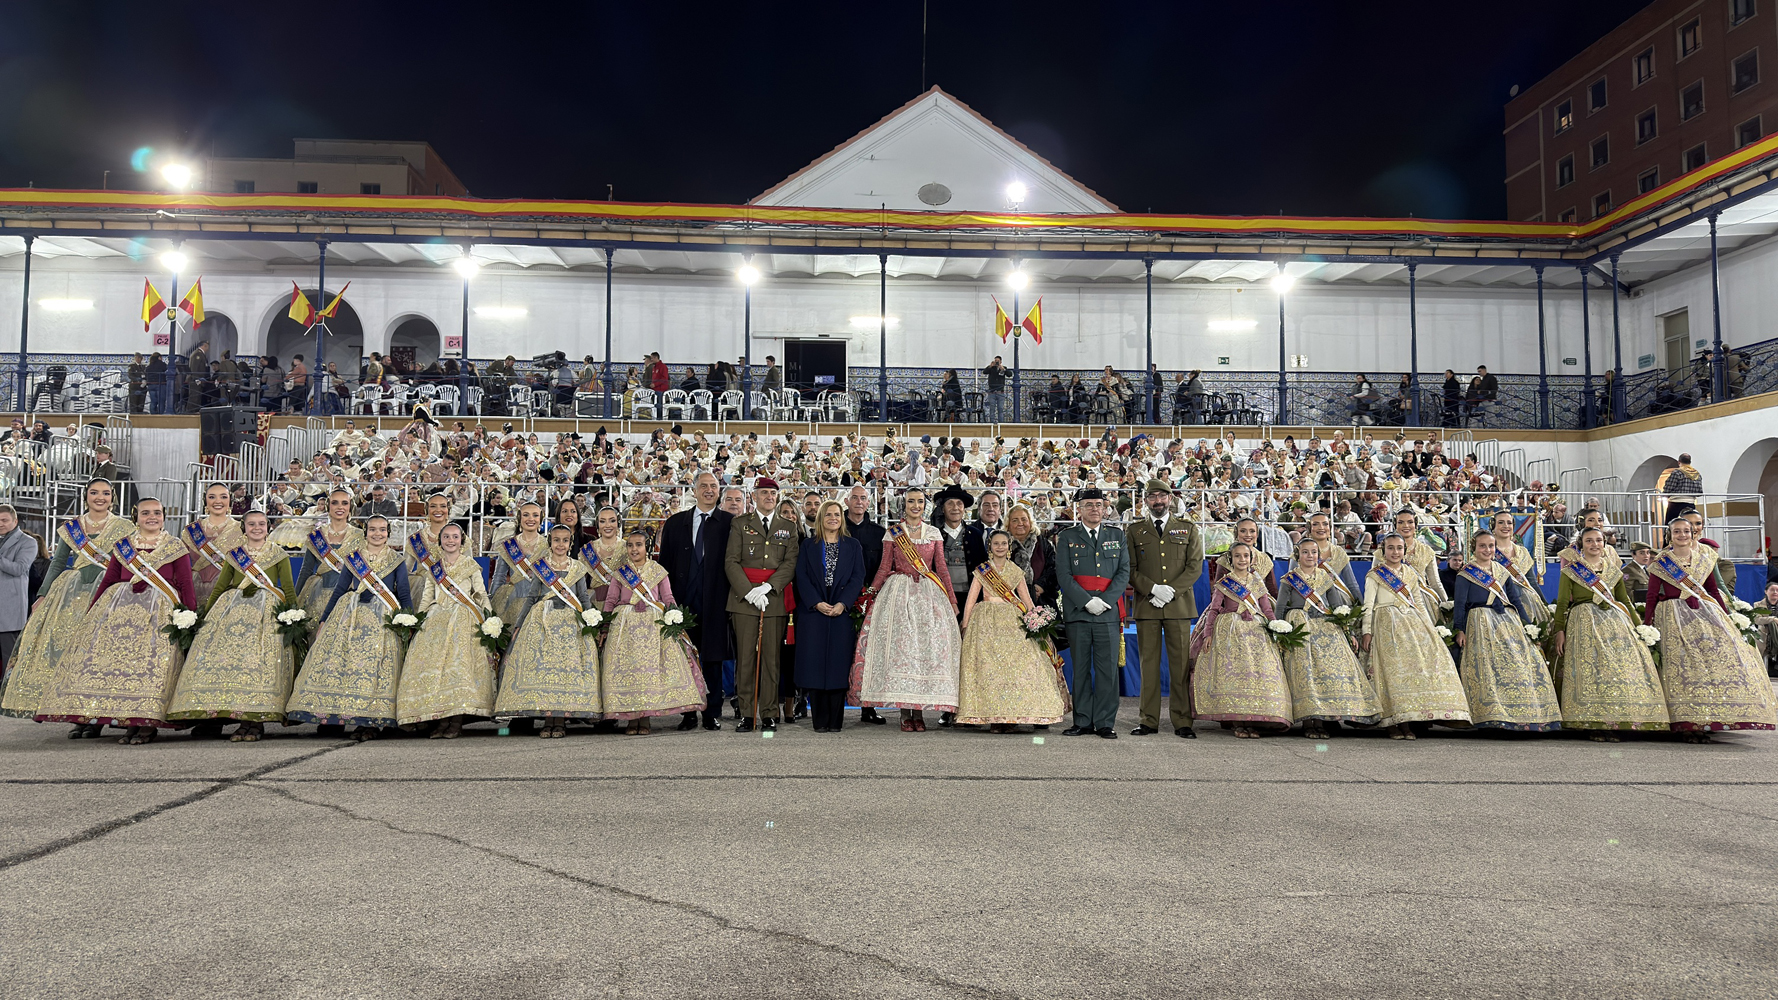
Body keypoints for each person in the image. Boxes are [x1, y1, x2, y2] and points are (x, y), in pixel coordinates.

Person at [37, 498, 197, 745]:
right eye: (146, 513)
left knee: (148, 667)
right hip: (119, 612)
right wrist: (92, 612)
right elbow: (109, 579)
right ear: (136, 517)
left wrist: (190, 614)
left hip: (157, 613)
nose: (152, 517)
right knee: (121, 669)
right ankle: (124, 721)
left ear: (164, 517)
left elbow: (185, 582)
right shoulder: (123, 546)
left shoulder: (175, 546)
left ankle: (146, 723)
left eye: (157, 513)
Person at [0, 479, 132, 730]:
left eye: (105, 493)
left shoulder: (124, 527)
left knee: (103, 654)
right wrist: (42, 595)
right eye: (94, 492)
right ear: (86, 496)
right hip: (73, 596)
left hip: (110, 592)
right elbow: (58, 563)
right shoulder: (72, 528)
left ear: (112, 497)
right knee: (75, 655)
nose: (100, 497)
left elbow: (129, 561)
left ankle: (107, 712)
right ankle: (80, 715)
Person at [166, 510, 297, 741]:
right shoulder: (234, 555)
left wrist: (294, 616)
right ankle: (229, 717)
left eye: (262, 524)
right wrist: (204, 616)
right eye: (251, 524)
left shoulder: (279, 555)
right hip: (231, 610)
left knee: (258, 664)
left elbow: (287, 587)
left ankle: (255, 722)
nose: (257, 528)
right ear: (243, 528)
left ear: (268, 527)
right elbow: (221, 586)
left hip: (265, 614)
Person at [1643, 517, 1777, 740]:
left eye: (1686, 531)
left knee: (1712, 663)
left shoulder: (1704, 559)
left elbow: (1713, 591)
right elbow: (1651, 595)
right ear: (1670, 535)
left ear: (1692, 534)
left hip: (1704, 611)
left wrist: (1726, 617)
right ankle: (1686, 721)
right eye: (1677, 531)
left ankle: (1710, 717)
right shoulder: (1661, 563)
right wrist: (1647, 625)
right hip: (1672, 616)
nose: (1682, 535)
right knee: (1684, 668)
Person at [287, 515, 412, 740]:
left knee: (374, 668)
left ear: (388, 533)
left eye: (382, 530)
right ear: (365, 533)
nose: (377, 534)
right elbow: (340, 590)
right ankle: (342, 715)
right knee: (346, 665)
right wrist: (325, 619)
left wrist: (409, 620)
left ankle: (371, 720)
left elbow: (403, 592)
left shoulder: (397, 560)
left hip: (382, 619)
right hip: (350, 615)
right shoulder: (353, 558)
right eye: (372, 529)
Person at [849, 486, 961, 732]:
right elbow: (883, 567)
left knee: (923, 653)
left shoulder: (933, 533)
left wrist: (952, 601)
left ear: (925, 505)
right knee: (902, 653)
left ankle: (918, 713)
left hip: (928, 596)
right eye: (911, 501)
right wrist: (870, 595)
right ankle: (904, 713)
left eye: (920, 501)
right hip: (898, 595)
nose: (916, 506)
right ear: (904, 504)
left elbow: (941, 568)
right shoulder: (893, 533)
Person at [1551, 527, 1668, 738]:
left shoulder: (1613, 570)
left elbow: (1624, 600)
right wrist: (1559, 630)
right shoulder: (1571, 571)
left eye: (1598, 540)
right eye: (1589, 540)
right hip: (1584, 620)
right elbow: (1562, 603)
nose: (1594, 544)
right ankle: (1592, 721)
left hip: (1615, 621)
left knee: (1617, 668)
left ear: (1604, 543)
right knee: (1591, 670)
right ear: (1581, 544)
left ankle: (1620, 717)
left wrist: (1640, 627)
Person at [955, 527, 1070, 731]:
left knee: (1020, 665)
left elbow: (1026, 599)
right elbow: (971, 599)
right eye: (996, 543)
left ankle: (1016, 714)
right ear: (990, 547)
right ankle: (992, 715)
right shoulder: (982, 570)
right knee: (989, 668)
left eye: (1004, 543)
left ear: (1009, 547)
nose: (1000, 547)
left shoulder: (1016, 570)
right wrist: (965, 624)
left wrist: (1037, 621)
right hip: (986, 622)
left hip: (1013, 620)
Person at [1360, 532, 1471, 739]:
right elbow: (1368, 604)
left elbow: (1418, 602)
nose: (1395, 552)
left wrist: (1429, 628)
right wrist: (1367, 631)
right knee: (1391, 674)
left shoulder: (1410, 574)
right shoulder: (1374, 575)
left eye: (1399, 548)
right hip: (1386, 623)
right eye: (1390, 548)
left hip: (1411, 623)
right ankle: (1391, 722)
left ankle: (1408, 720)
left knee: (1410, 672)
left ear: (1405, 550)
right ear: (1383, 551)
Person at [495, 524, 603, 736]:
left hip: (570, 625)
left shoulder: (577, 568)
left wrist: (592, 622)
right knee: (545, 671)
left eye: (565, 540)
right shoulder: (540, 567)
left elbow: (583, 597)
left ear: (570, 543)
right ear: (550, 542)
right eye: (556, 540)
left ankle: (560, 720)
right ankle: (547, 719)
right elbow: (532, 598)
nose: (560, 544)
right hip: (542, 621)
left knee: (566, 671)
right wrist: (519, 626)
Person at [1451, 531, 1562, 733]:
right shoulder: (1465, 574)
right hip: (1480, 621)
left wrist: (1528, 627)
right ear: (1474, 548)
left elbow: (1516, 601)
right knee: (1488, 668)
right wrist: (1460, 629)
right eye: (1482, 546)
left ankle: (1525, 715)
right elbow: (1460, 605)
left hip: (1508, 621)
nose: (1487, 550)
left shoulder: (1502, 571)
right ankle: (1492, 716)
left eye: (1491, 546)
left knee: (1519, 664)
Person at [601, 528, 706, 734]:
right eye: (630, 545)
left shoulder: (658, 571)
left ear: (647, 548)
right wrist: (604, 625)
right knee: (629, 671)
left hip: (652, 627)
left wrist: (674, 617)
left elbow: (667, 598)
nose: (634, 549)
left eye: (638, 545)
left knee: (647, 672)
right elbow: (611, 599)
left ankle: (645, 718)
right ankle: (631, 718)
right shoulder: (620, 572)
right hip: (625, 628)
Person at [397, 522, 495, 738]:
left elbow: (481, 594)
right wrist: (418, 621)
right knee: (437, 671)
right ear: (440, 542)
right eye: (446, 537)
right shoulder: (435, 569)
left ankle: (456, 721)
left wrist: (490, 620)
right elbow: (426, 597)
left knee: (459, 669)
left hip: (464, 620)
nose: (451, 540)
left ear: (462, 541)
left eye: (455, 537)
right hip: (437, 620)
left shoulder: (471, 565)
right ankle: (441, 721)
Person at [1276, 538, 1379, 738]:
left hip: (1325, 626)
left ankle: (1322, 720)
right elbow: (1280, 607)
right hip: (1300, 626)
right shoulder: (1289, 579)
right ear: (1298, 555)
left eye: (1314, 552)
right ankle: (1308, 722)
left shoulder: (1326, 578)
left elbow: (1337, 607)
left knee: (1326, 671)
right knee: (1306, 674)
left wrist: (1348, 632)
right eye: (1305, 552)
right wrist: (1279, 633)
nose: (1310, 556)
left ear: (1319, 555)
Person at [1189, 541, 1291, 738]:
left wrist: (1275, 628)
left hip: (1256, 631)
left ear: (1251, 559)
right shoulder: (1224, 583)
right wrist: (1208, 633)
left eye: (1246, 556)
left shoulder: (1257, 582)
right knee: (1234, 674)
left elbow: (1266, 609)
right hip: (1230, 631)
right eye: (1237, 556)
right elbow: (1214, 609)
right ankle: (1237, 722)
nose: (1242, 559)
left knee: (1254, 675)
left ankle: (1252, 721)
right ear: (1231, 559)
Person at [1127, 479, 1203, 738]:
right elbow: (1130, 569)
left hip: (1178, 606)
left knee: (1180, 666)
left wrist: (1170, 591)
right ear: (1145, 500)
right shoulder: (1134, 531)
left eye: (1162, 496)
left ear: (1170, 499)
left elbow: (1195, 566)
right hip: (1147, 606)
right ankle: (1148, 720)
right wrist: (1152, 590)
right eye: (1152, 497)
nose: (1157, 501)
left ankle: (1182, 721)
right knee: (1148, 665)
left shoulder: (1188, 528)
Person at [658, 471, 734, 730]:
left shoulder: (730, 523)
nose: (709, 490)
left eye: (714, 486)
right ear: (694, 490)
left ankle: (712, 713)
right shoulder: (675, 523)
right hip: (681, 604)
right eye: (704, 486)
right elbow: (664, 566)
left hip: (716, 603)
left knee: (712, 659)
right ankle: (688, 712)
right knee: (683, 659)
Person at [724, 477, 798, 732]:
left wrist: (768, 587)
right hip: (744, 602)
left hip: (774, 600)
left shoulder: (788, 527)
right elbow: (731, 561)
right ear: (754, 496)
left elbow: (790, 563)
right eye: (764, 492)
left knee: (771, 660)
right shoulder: (740, 524)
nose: (769, 497)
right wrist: (749, 592)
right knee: (746, 659)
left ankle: (769, 714)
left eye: (773, 493)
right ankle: (747, 714)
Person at [1054, 487, 1128, 739]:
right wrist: (1086, 602)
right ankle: (1083, 721)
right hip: (1079, 612)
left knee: (1107, 670)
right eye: (1089, 505)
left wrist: (1104, 601)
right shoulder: (1067, 536)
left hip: (1107, 613)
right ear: (1080, 509)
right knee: (1081, 668)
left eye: (1098, 504)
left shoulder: (1117, 535)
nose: (1094, 509)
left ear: (1105, 509)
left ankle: (1105, 722)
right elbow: (1063, 575)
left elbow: (1123, 572)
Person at [793, 500, 865, 732]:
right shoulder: (808, 545)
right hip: (813, 612)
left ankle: (835, 722)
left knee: (837, 666)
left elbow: (857, 577)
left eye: (837, 514)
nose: (833, 518)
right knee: (814, 665)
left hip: (841, 612)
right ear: (820, 519)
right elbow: (801, 576)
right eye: (828, 515)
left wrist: (843, 604)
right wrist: (816, 602)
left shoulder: (853, 545)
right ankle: (819, 722)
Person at [293, 490, 364, 625]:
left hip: (347, 597)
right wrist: (294, 601)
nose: (340, 507)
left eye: (344, 503)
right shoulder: (316, 536)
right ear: (328, 506)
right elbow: (306, 570)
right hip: (317, 595)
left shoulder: (359, 536)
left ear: (350, 507)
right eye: (335, 503)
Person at [185, 483, 245, 610]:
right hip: (195, 593)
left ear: (230, 500)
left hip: (229, 594)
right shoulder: (190, 531)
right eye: (212, 497)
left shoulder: (241, 530)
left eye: (223, 497)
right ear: (205, 501)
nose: (218, 501)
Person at [488, 501, 548, 623]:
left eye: (535, 515)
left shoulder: (549, 545)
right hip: (513, 599)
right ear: (519, 518)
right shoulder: (509, 545)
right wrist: (491, 603)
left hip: (540, 600)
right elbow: (499, 577)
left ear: (541, 519)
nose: (531, 519)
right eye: (526, 515)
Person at [1489, 511, 1552, 629]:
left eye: (1509, 523)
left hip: (1528, 603)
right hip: (1500, 604)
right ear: (1493, 526)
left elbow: (1532, 582)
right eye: (1501, 522)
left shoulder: (1522, 551)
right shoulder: (1487, 552)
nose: (1506, 526)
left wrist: (1545, 604)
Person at [0, 504, 33, 674]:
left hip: (9, 614)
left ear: (15, 521)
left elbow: (19, 568)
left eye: (4, 520)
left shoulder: (28, 542)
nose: (0, 524)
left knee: (10, 663)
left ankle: (8, 690)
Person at [982, 356, 1008, 423]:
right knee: (992, 409)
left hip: (1000, 392)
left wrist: (1003, 369)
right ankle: (992, 423)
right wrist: (990, 366)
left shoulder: (1003, 368)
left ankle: (1001, 423)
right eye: (995, 361)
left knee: (1000, 408)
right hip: (992, 392)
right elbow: (984, 372)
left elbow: (1009, 374)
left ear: (1000, 362)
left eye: (998, 361)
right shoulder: (991, 369)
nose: (996, 362)